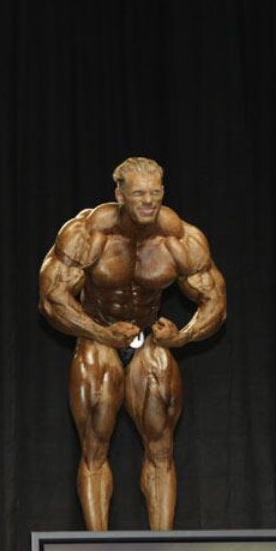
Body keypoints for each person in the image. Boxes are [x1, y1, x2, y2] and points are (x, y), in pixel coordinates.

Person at [39, 157, 226, 531]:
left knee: (161, 446)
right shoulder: (88, 232)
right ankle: (98, 545)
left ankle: (163, 545)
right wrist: (99, 332)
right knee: (95, 444)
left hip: (146, 337)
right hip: (97, 334)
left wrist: (182, 336)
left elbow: (216, 301)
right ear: (119, 194)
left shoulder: (179, 239)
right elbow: (51, 298)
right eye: (139, 193)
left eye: (155, 193)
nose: (148, 201)